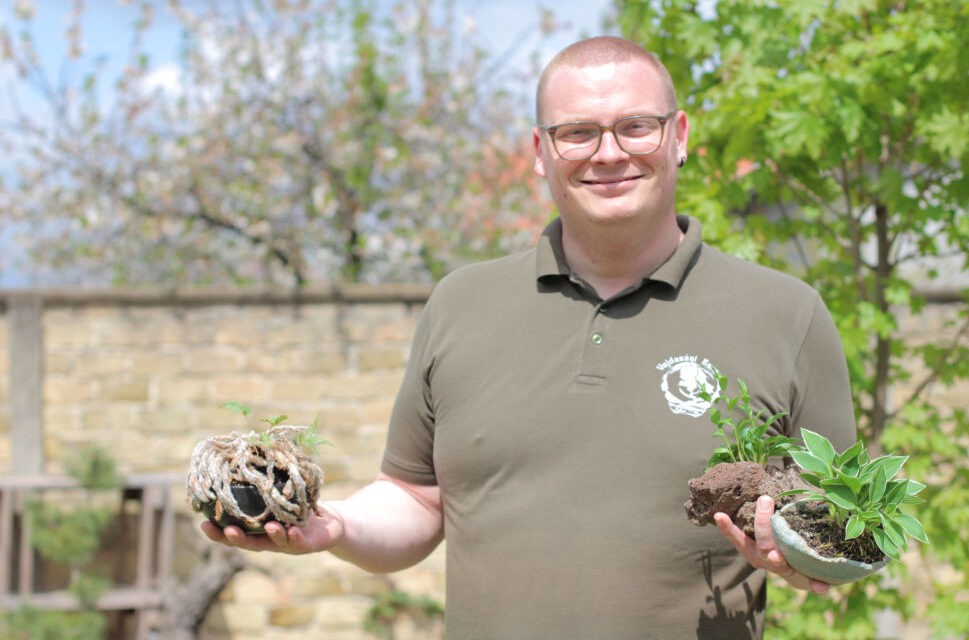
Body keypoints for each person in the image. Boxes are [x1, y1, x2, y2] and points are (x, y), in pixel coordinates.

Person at [202, 36, 857, 639]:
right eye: (578, 133)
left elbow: (849, 524)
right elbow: (415, 499)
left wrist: (812, 558)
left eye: (636, 126)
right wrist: (335, 526)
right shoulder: (461, 304)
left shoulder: (785, 314)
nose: (609, 153)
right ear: (541, 152)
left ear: (678, 135)